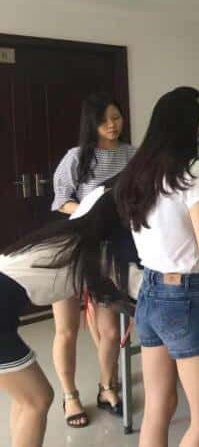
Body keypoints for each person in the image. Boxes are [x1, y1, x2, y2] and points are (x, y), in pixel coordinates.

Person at [116, 87, 199, 447]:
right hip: (182, 299)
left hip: (147, 293)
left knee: (158, 407)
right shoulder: (193, 173)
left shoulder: (138, 174)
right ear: (192, 128)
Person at [0, 184, 134, 447]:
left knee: (25, 399)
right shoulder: (92, 254)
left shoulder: (68, 236)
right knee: (38, 400)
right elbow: (133, 285)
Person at [50, 93, 135, 426]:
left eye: (116, 117)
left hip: (111, 251)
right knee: (66, 330)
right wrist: (92, 211)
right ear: (92, 123)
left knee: (110, 331)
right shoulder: (76, 157)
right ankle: (70, 396)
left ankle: (106, 387)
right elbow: (61, 201)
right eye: (104, 120)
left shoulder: (132, 154)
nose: (112, 125)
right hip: (73, 248)